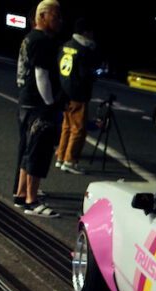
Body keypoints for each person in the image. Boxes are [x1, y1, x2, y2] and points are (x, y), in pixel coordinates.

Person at [13, 0, 63, 217]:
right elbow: (41, 75)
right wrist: (50, 103)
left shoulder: (29, 38)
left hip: (26, 101)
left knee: (28, 150)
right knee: (38, 151)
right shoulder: (42, 40)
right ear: (42, 16)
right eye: (55, 16)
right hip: (38, 105)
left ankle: (21, 193)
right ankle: (32, 201)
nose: (59, 20)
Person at [55, 17, 96, 175]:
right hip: (78, 94)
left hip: (64, 93)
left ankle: (61, 157)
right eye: (91, 32)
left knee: (66, 127)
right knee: (78, 129)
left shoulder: (66, 46)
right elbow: (85, 75)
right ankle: (70, 161)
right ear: (86, 32)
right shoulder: (84, 50)